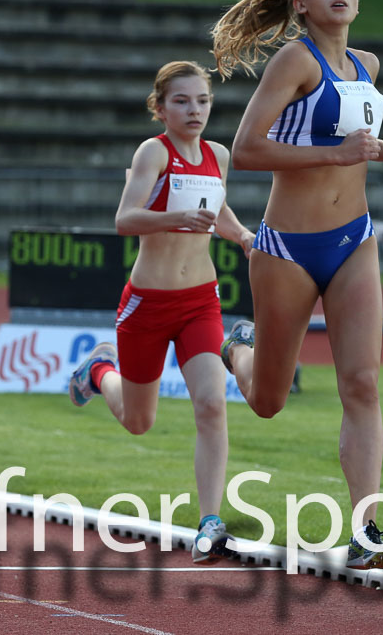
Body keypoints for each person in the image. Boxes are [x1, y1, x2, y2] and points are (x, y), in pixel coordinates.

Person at [210, 0, 383, 571]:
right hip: (288, 250)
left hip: (353, 240)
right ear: (301, 2)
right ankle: (237, 348)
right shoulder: (294, 61)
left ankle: (368, 528)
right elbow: (245, 151)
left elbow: (355, 142)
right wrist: (335, 155)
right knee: (268, 401)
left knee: (362, 382)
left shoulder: (367, 65)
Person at [67, 61, 256, 563]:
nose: (194, 110)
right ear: (160, 108)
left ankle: (210, 521)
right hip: (147, 304)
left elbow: (217, 205)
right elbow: (125, 218)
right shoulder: (154, 152)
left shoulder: (218, 153)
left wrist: (239, 235)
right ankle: (99, 370)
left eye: (202, 101)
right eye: (182, 101)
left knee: (212, 405)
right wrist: (177, 218)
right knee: (137, 421)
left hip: (200, 300)